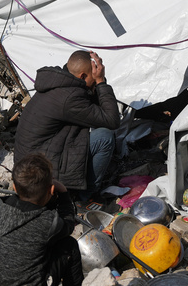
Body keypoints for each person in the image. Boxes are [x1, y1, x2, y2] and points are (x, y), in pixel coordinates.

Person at [14, 50, 121, 199]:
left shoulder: (60, 83)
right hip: (37, 169)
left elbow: (97, 109)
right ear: (82, 76)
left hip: (28, 158)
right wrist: (101, 82)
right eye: (93, 75)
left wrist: (94, 82)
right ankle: (85, 197)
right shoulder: (71, 97)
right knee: (105, 138)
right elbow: (112, 120)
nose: (96, 78)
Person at [0, 153, 84, 286]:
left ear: (14, 187)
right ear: (51, 190)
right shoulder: (46, 222)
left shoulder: (4, 206)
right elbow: (68, 224)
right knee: (70, 245)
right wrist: (63, 193)